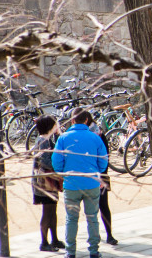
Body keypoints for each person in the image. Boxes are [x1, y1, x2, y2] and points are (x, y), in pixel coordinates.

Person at [52, 109, 108, 258]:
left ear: (72, 121)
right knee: (92, 218)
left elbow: (56, 162)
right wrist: (97, 171)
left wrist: (64, 173)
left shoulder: (63, 138)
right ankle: (94, 250)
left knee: (71, 219)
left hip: (71, 184)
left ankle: (70, 252)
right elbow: (103, 160)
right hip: (92, 183)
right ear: (86, 121)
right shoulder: (95, 138)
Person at [32, 116, 65, 252]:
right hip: (45, 182)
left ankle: (54, 239)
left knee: (52, 210)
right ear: (50, 126)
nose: (58, 125)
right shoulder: (44, 141)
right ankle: (44, 242)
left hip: (48, 180)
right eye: (55, 124)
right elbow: (47, 162)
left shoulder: (45, 139)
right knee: (48, 211)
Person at [92, 124, 117, 246]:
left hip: (97, 175)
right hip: (94, 175)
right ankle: (99, 236)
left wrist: (101, 175)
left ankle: (108, 234)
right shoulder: (94, 133)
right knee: (99, 207)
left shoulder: (99, 135)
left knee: (102, 206)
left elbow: (105, 157)